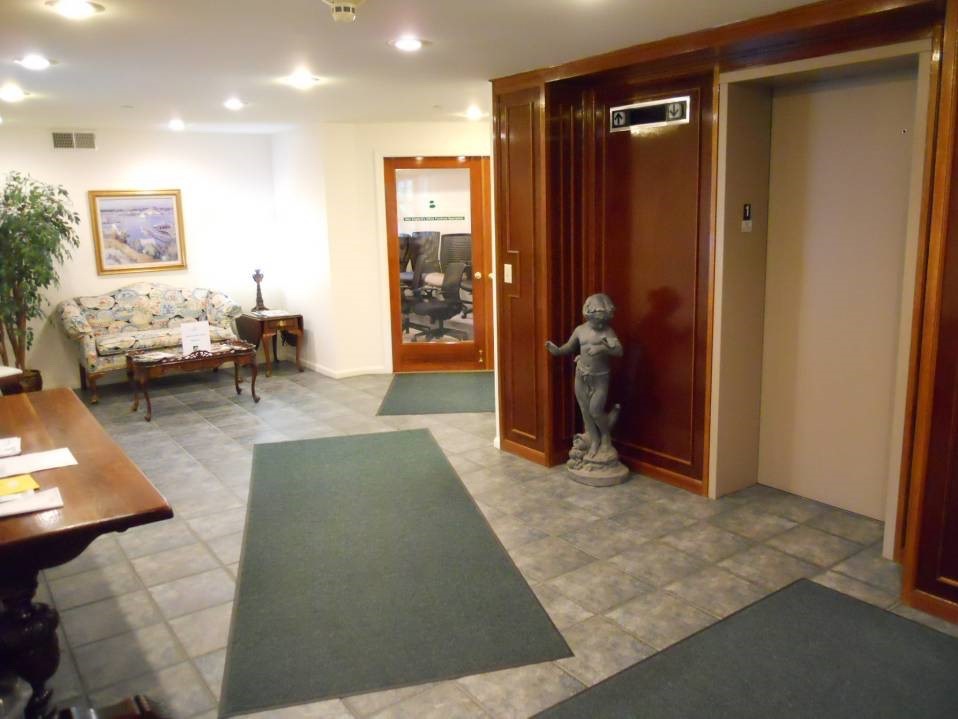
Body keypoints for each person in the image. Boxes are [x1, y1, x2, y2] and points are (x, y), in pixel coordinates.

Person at [546, 293, 623, 459]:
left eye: (604, 320)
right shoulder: (580, 330)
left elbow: (619, 351)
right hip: (581, 375)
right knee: (584, 411)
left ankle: (605, 435)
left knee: (595, 410)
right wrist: (557, 351)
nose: (600, 324)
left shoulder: (608, 331)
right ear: (588, 314)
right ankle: (595, 440)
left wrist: (602, 348)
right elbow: (569, 346)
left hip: (600, 378)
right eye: (597, 320)